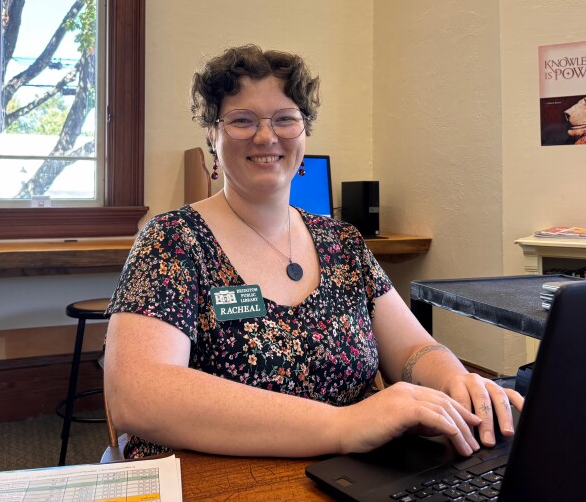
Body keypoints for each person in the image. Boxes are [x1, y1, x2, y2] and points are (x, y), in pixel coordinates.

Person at [104, 44, 523, 459]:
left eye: (285, 119)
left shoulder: (343, 243)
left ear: (304, 131)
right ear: (212, 135)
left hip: (353, 477)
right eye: (242, 120)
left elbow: (414, 350)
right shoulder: (171, 241)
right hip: (218, 480)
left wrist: (454, 379)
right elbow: (138, 394)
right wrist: (343, 426)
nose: (266, 136)